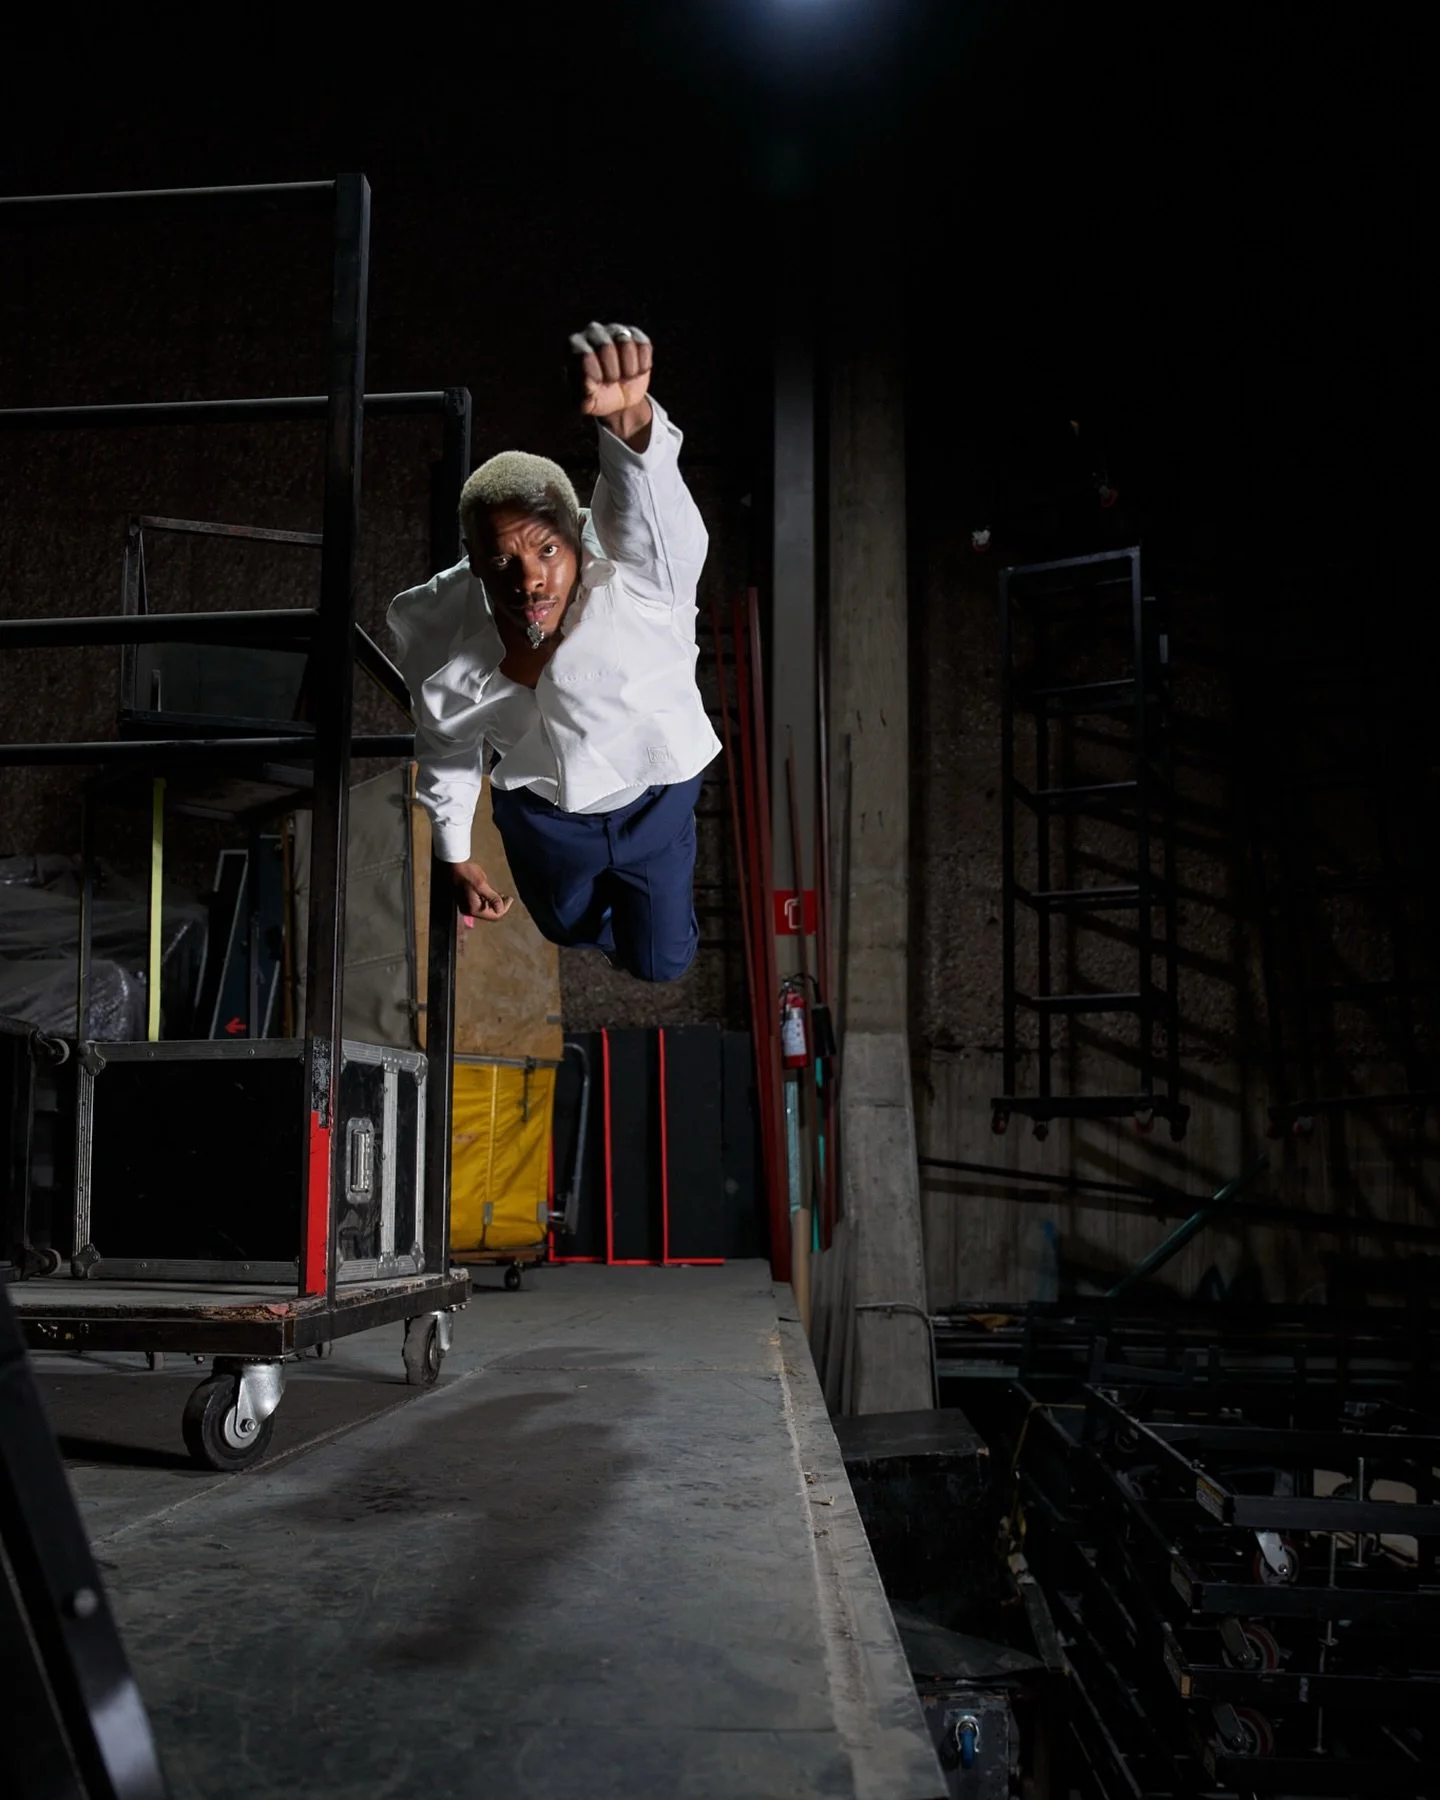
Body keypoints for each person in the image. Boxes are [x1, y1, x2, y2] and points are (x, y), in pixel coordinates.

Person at [388, 322, 719, 983]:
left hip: (650, 794)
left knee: (661, 963)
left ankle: (647, 919)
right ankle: (599, 915)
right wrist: (455, 855)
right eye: (502, 561)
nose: (530, 579)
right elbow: (448, 749)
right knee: (563, 929)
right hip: (544, 815)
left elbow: (650, 514)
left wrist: (628, 420)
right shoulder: (439, 626)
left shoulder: (641, 581)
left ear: (577, 539)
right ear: (474, 564)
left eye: (546, 551)